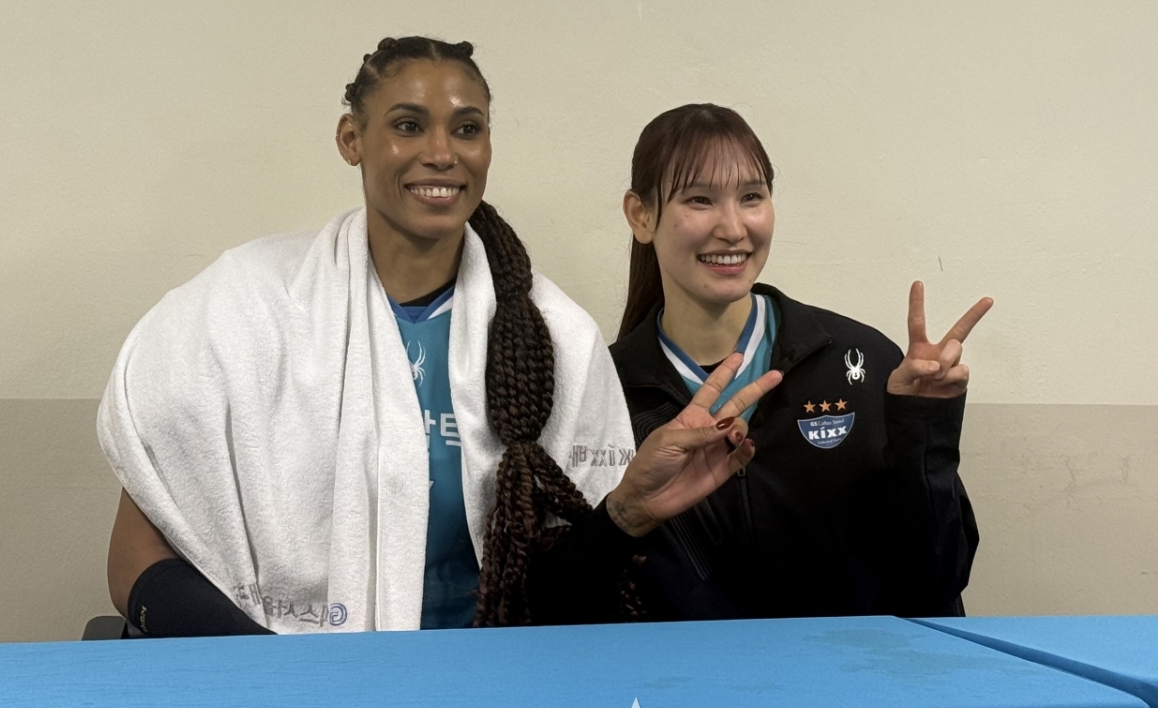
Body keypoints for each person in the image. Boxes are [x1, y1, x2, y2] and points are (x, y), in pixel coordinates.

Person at [99, 39, 778, 636]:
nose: (440, 152)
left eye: (467, 127)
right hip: (276, 696)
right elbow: (135, 559)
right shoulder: (240, 313)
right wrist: (277, 682)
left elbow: (558, 608)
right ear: (350, 139)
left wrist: (625, 510)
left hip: (484, 705)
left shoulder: (556, 339)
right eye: (407, 125)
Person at [532, 103, 990, 624]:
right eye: (700, 200)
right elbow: (554, 609)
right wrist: (623, 516)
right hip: (684, 695)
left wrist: (923, 428)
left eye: (751, 197)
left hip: (847, 690)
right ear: (641, 215)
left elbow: (937, 581)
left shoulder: (858, 362)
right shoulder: (603, 387)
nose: (732, 228)